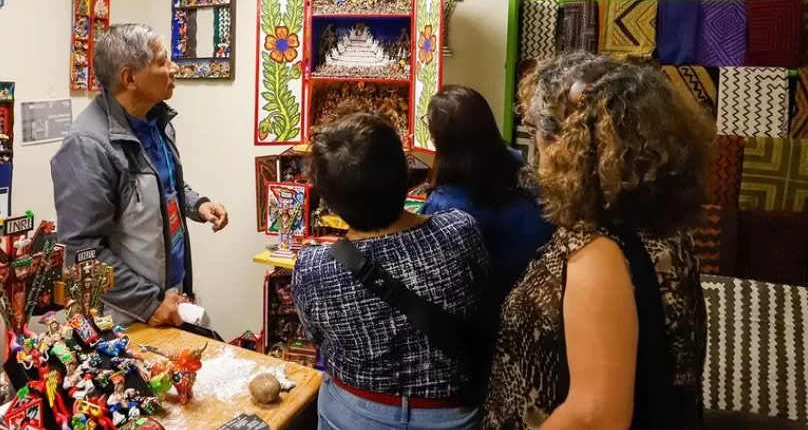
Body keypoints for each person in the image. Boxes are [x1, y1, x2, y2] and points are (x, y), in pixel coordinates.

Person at [484, 53, 711, 430]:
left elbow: (596, 416)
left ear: (566, 145)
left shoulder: (598, 254)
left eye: (537, 132)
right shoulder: (662, 229)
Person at [291, 113, 492, 430]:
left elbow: (318, 339)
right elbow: (482, 305)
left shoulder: (313, 267)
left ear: (328, 200)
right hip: (450, 412)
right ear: (405, 173)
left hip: (354, 411)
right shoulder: (459, 231)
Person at [51, 23, 229, 328]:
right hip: (127, 316)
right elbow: (82, 252)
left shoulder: (156, 119)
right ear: (129, 77)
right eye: (161, 62)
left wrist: (197, 204)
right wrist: (148, 303)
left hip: (168, 296)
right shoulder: (88, 146)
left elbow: (163, 184)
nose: (174, 68)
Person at [423, 85, 553, 299]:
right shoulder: (515, 160)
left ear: (440, 139)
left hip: (494, 310)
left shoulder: (444, 204)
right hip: (538, 292)